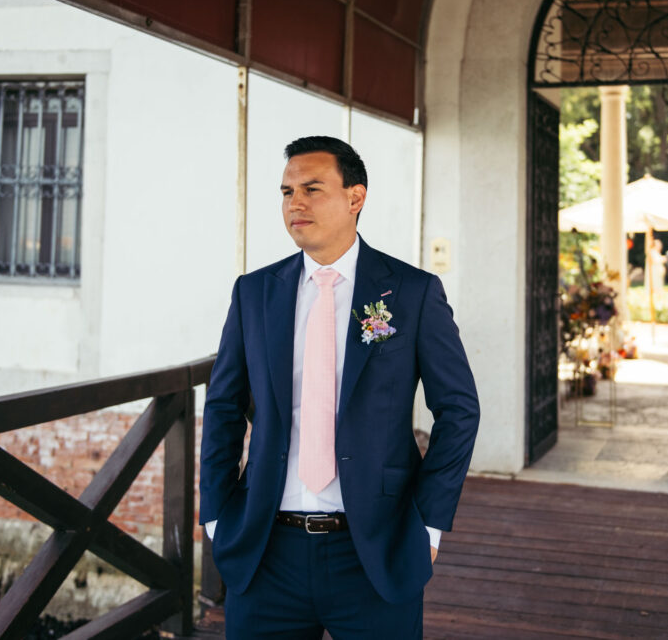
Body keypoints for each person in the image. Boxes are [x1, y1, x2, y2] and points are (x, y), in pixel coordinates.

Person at [200, 135, 481, 639]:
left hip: (375, 550)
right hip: (266, 551)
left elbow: (459, 409)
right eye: (287, 192)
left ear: (356, 197)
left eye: (312, 188)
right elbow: (223, 405)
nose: (295, 203)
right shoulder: (254, 292)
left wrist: (430, 523)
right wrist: (217, 516)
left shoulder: (412, 293)